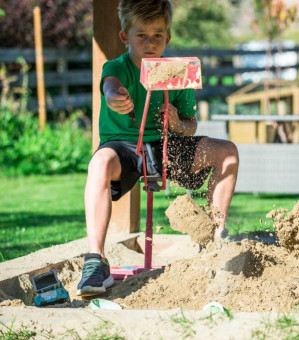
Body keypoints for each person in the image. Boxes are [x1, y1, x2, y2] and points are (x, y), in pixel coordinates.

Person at [77, 0, 239, 297]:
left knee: (227, 151)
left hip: (167, 146)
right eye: (141, 35)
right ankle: (95, 260)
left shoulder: (177, 73)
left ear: (168, 38)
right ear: (126, 37)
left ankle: (215, 239)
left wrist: (177, 123)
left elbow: (191, 125)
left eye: (157, 35)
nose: (149, 43)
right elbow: (109, 86)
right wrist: (114, 97)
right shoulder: (117, 67)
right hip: (123, 147)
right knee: (98, 163)